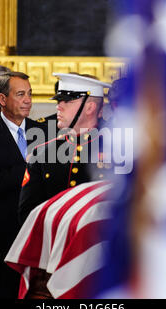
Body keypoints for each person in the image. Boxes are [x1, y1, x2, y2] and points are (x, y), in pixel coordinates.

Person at [0, 72, 43, 298]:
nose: (28, 100)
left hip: (37, 233)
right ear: (2, 100)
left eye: (30, 94)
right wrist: (29, 166)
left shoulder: (43, 133)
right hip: (2, 237)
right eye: (21, 94)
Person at [18, 73, 112, 224]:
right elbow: (28, 214)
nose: (58, 106)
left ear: (89, 107)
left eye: (67, 101)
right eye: (59, 100)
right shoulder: (42, 152)